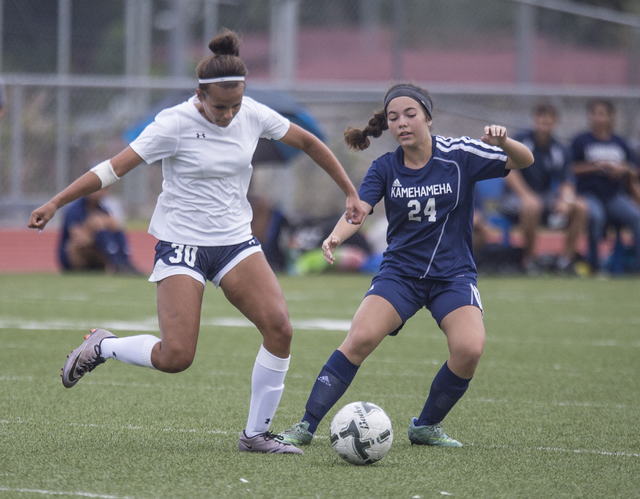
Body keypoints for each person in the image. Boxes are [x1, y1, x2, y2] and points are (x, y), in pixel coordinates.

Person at [28, 29, 364, 455]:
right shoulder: (173, 124)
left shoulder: (253, 114)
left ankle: (255, 435)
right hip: (182, 245)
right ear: (200, 96)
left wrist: (350, 192)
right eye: (219, 107)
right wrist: (56, 202)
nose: (228, 116)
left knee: (279, 329)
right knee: (176, 357)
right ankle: (103, 345)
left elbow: (310, 142)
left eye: (235, 106)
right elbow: (112, 170)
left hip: (235, 244)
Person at [277, 83, 533, 448]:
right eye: (394, 117)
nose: (402, 123)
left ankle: (426, 426)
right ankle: (306, 425)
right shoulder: (385, 167)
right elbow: (358, 212)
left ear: (428, 117)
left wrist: (505, 141)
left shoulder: (459, 154)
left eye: (411, 114)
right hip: (400, 275)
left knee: (469, 349)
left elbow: (525, 160)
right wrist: (335, 236)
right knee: (359, 339)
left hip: (453, 275)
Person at [500, 103, 587, 273]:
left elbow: (566, 181)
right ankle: (531, 261)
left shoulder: (559, 149)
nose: (544, 124)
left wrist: (566, 201)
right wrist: (526, 195)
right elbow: (510, 173)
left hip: (545, 197)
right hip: (515, 198)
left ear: (556, 123)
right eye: (541, 119)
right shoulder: (521, 141)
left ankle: (566, 261)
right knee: (532, 205)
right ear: (535, 120)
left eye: (549, 120)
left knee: (580, 207)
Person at [571, 99, 640, 274]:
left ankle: (636, 268)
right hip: (589, 194)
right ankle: (595, 267)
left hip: (614, 197)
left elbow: (633, 170)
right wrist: (597, 166)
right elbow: (571, 168)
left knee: (636, 218)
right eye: (595, 114)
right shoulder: (581, 140)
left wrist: (621, 169)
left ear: (611, 117)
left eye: (602, 114)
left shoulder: (620, 142)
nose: (598, 118)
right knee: (596, 217)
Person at [58, 187, 140, 274]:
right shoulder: (75, 209)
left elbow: (116, 226)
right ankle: (116, 263)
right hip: (73, 254)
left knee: (108, 232)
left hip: (93, 249)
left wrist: (101, 227)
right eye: (99, 189)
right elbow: (79, 238)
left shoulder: (103, 209)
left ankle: (123, 261)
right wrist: (93, 229)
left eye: (105, 189)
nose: (102, 193)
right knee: (96, 235)